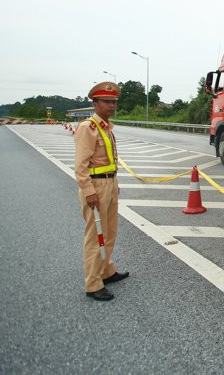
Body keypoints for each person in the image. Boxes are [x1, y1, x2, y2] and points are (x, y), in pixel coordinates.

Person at [74, 82, 129, 301]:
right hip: (95, 186)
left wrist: (114, 183)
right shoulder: (88, 128)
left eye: (114, 102)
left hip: (109, 183)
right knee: (95, 236)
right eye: (106, 102)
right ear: (95, 104)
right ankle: (93, 283)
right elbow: (80, 166)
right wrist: (89, 191)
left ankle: (106, 271)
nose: (111, 105)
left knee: (109, 232)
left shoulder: (107, 127)